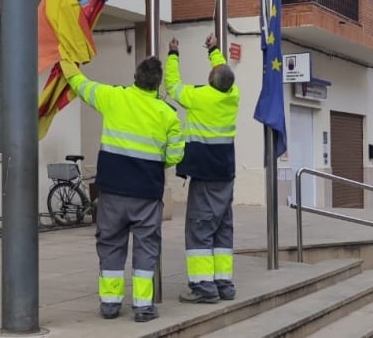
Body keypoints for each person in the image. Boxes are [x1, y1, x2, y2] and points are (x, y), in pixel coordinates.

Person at [60, 56, 184, 323]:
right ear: (157, 84)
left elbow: (82, 85)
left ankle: (110, 305)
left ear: (136, 78)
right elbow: (175, 156)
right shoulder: (168, 115)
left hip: (112, 192)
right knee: (146, 249)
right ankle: (143, 307)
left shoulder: (113, 97)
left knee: (110, 245)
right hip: (147, 195)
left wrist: (66, 63)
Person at [165, 33, 240, 304]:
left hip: (205, 175)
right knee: (222, 229)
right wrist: (215, 50)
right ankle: (223, 284)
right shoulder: (232, 95)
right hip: (225, 174)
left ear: (210, 80)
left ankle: (203, 288)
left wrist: (173, 54)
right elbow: (223, 72)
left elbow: (172, 85)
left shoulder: (198, 96)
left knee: (200, 228)